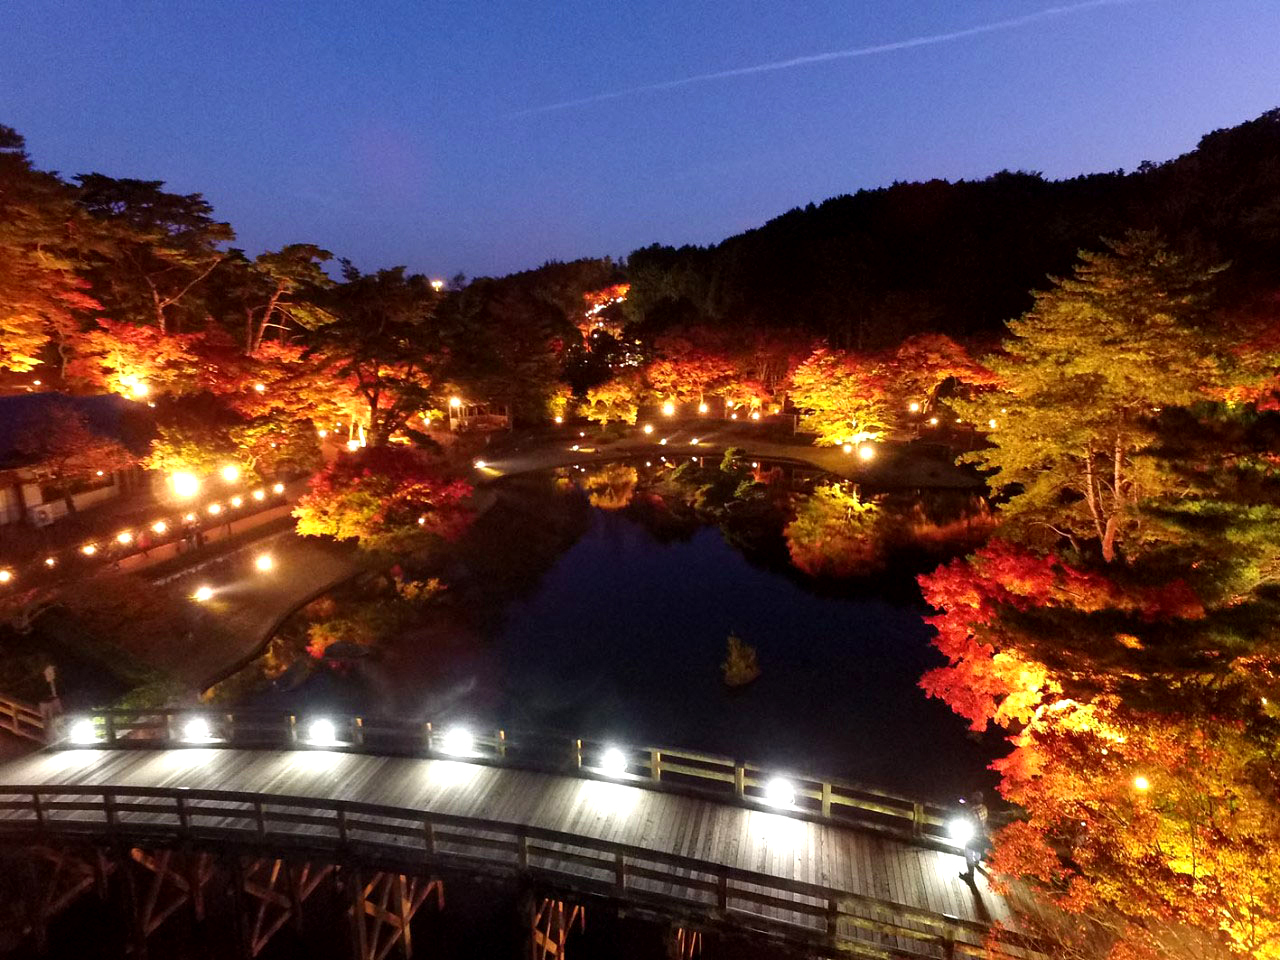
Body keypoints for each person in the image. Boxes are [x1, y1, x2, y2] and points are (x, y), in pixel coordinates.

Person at [961, 790, 989, 881]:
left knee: (968, 853)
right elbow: (975, 809)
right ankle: (976, 862)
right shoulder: (984, 808)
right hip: (982, 835)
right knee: (978, 850)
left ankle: (970, 875)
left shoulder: (971, 812)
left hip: (973, 836)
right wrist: (967, 804)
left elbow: (968, 819)